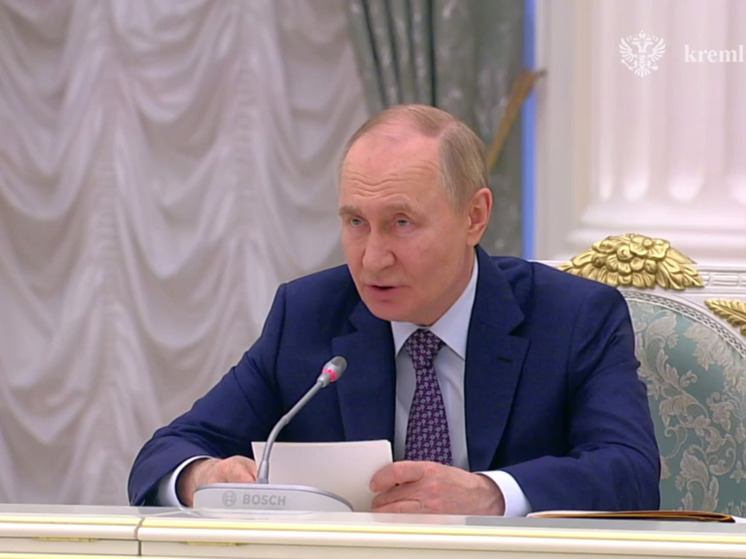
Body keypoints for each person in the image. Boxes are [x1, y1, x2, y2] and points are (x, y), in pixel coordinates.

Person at [127, 104, 660, 515]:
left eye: (401, 223)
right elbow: (165, 453)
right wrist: (201, 477)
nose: (372, 258)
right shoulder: (308, 315)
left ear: (474, 217)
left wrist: (490, 495)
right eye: (356, 222)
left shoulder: (572, 317)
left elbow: (630, 472)